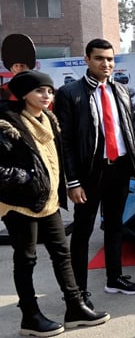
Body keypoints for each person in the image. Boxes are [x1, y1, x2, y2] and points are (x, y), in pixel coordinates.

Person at [1, 72, 109, 337]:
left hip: (49, 201)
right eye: (39, 91)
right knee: (26, 260)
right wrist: (27, 179)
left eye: (49, 91)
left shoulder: (49, 119)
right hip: (20, 204)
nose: (47, 96)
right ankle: (30, 317)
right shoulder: (8, 124)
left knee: (62, 255)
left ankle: (76, 307)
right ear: (25, 94)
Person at [54, 38, 135, 297]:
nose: (105, 64)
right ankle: (78, 291)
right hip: (89, 172)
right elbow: (66, 142)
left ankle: (114, 278)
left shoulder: (123, 91)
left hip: (119, 169)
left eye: (109, 59)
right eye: (99, 58)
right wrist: (72, 181)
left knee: (116, 225)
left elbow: (132, 133)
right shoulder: (70, 93)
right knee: (83, 231)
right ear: (87, 60)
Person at [0, 33, 36, 101]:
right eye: (16, 65)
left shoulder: (45, 92)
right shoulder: (3, 92)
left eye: (22, 65)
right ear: (11, 68)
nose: (19, 68)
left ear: (29, 67)